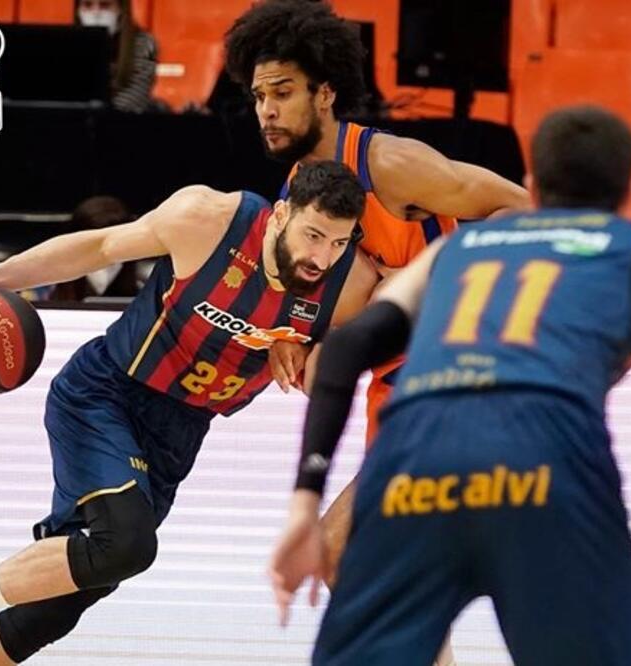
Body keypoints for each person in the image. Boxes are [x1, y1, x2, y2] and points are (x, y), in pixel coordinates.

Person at [270, 106, 631, 665]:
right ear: (628, 194)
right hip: (544, 462)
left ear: (533, 184)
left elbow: (342, 350)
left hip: (418, 466)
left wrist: (303, 503)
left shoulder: (454, 249)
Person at [0, 161, 379, 666]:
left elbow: (321, 379)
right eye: (313, 235)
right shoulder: (208, 219)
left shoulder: (348, 283)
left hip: (180, 432)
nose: (321, 256)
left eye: (338, 242)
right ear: (281, 213)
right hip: (107, 393)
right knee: (126, 544)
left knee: (52, 611)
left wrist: (308, 350)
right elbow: (99, 247)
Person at [224, 4, 531, 661]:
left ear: (325, 92)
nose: (267, 110)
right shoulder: (300, 186)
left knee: (344, 552)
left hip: (450, 378)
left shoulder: (390, 164)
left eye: (282, 93)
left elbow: (520, 208)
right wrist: (291, 332)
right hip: (394, 388)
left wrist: (423, 283)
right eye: (258, 97)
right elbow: (325, 291)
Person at [75, 0, 162, 114]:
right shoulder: (68, 44)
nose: (96, 12)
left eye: (105, 5)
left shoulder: (143, 44)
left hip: (121, 125)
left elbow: (133, 100)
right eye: (87, 5)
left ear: (120, 8)